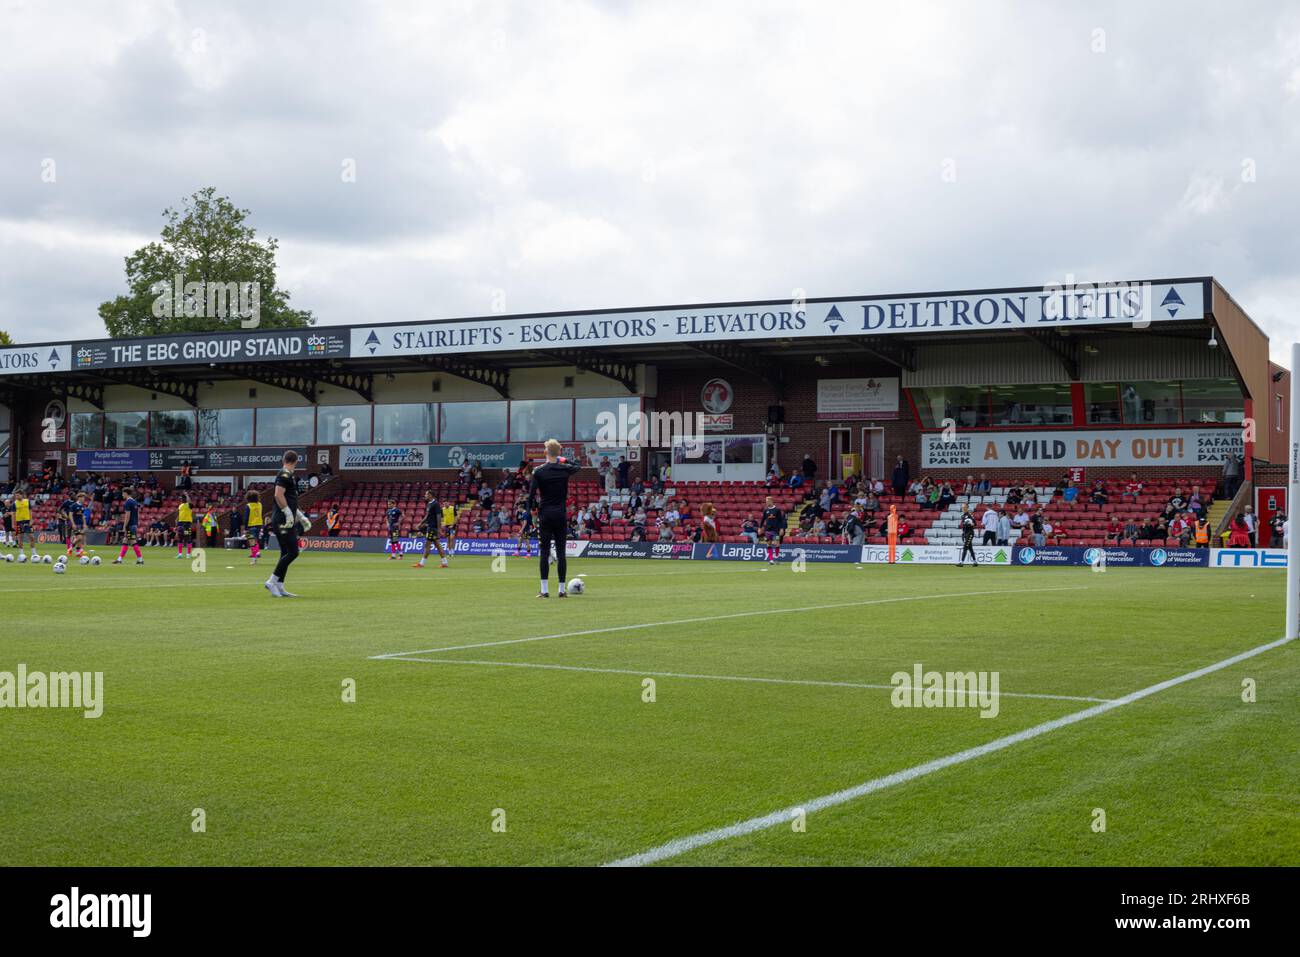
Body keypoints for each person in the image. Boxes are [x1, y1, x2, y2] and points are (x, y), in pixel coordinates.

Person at [528, 439, 581, 597]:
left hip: (545, 514)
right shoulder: (564, 469)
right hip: (560, 514)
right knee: (561, 552)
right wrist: (562, 459)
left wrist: (533, 510)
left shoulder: (538, 471)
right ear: (559, 453)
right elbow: (577, 466)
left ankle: (544, 590)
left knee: (544, 552)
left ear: (545, 452)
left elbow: (531, 496)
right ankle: (561, 590)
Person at [266, 451, 310, 597]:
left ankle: (279, 585)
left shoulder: (288, 475)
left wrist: (300, 516)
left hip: (283, 518)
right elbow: (278, 494)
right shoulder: (285, 474)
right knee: (293, 551)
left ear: (283, 459)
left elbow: (289, 500)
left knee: (285, 552)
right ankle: (271, 581)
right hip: (283, 519)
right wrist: (287, 512)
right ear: (296, 461)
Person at [414, 489, 449, 569]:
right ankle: (445, 563)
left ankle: (422, 563)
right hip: (430, 527)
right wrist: (421, 523)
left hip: (433, 528)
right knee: (437, 545)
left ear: (430, 495)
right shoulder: (429, 504)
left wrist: (439, 529)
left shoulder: (435, 504)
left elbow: (439, 516)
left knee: (427, 545)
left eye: (426, 494)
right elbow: (427, 516)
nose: (425, 496)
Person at [112, 487, 143, 565]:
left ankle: (140, 559)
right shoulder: (134, 501)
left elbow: (127, 515)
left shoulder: (128, 502)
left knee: (132, 541)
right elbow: (137, 514)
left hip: (130, 525)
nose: (122, 495)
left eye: (123, 493)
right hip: (134, 524)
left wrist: (124, 526)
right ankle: (119, 559)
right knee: (125, 541)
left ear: (126, 493)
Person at [761, 495, 785, 565]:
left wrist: (782, 529)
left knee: (777, 543)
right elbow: (763, 519)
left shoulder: (777, 510)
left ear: (771, 501)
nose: (766, 502)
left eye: (767, 501)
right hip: (768, 531)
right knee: (768, 544)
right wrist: (760, 527)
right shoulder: (766, 510)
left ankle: (776, 559)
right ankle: (771, 560)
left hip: (776, 531)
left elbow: (781, 520)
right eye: (766, 501)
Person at [244, 491, 263, 566]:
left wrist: (245, 527)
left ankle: (254, 559)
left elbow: (246, 517)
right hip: (259, 524)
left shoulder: (248, 505)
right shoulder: (260, 504)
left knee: (252, 543)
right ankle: (257, 552)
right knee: (255, 541)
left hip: (251, 525)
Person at [175, 492, 194, 559]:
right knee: (180, 538)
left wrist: (186, 495)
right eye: (181, 498)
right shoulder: (180, 505)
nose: (181, 499)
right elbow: (179, 514)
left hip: (187, 524)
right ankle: (180, 554)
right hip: (180, 524)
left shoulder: (189, 505)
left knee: (188, 538)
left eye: (182, 498)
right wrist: (176, 522)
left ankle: (188, 554)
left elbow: (190, 503)